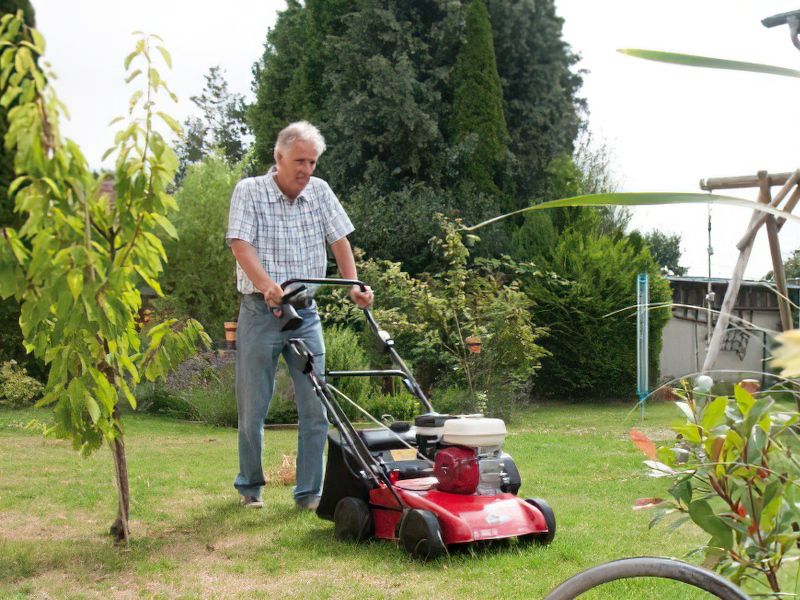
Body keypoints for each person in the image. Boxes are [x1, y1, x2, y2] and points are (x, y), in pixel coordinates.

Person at [226, 121, 373, 510]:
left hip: (305, 315)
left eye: (312, 161)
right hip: (260, 312)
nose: (306, 169)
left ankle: (309, 493)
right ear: (278, 158)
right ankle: (250, 488)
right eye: (299, 161)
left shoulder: (320, 192)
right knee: (253, 407)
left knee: (315, 406)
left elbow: (339, 240)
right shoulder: (250, 191)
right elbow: (240, 244)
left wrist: (354, 284)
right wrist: (266, 284)